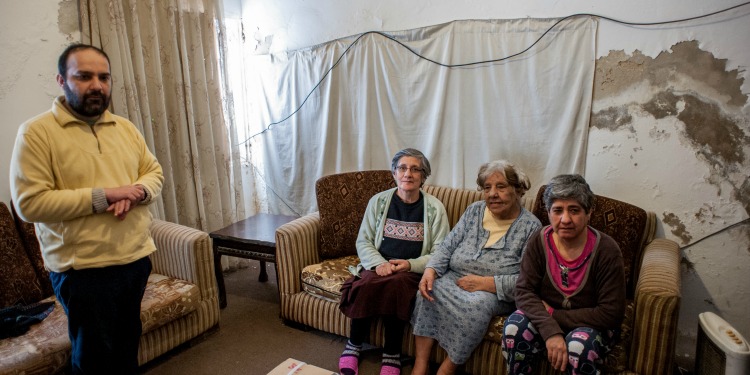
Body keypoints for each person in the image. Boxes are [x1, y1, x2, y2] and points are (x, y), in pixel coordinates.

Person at [9, 43, 164, 375]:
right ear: (61, 80)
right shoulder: (36, 134)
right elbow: (29, 203)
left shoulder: (126, 129)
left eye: (104, 77)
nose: (97, 85)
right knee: (94, 361)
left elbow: (154, 172)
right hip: (83, 273)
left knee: (126, 351)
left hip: (134, 260)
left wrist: (137, 191)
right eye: (84, 76)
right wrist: (106, 195)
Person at [411, 160, 541, 375]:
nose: (492, 194)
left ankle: (447, 369)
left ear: (517, 190)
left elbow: (527, 281)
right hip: (454, 278)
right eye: (487, 187)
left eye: (501, 187)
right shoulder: (474, 211)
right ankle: (420, 364)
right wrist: (430, 270)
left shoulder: (531, 227)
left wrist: (486, 283)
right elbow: (447, 246)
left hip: (493, 292)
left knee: (476, 307)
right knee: (427, 292)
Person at [338, 148, 450, 375]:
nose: (408, 174)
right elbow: (364, 241)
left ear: (423, 176)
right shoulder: (378, 202)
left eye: (415, 169)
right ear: (394, 173)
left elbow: (441, 252)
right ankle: (353, 345)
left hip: (411, 269)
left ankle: (391, 353)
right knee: (365, 283)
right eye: (402, 168)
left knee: (397, 286)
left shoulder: (435, 208)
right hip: (379, 264)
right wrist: (379, 263)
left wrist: (411, 265)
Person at [502, 174, 626, 375]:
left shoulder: (607, 250)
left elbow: (610, 313)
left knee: (578, 348)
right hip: (546, 317)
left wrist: (554, 315)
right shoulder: (539, 241)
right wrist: (551, 331)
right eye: (558, 210)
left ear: (589, 213)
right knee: (514, 329)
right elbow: (524, 291)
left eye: (574, 210)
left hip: (592, 325)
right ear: (549, 213)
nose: (565, 219)